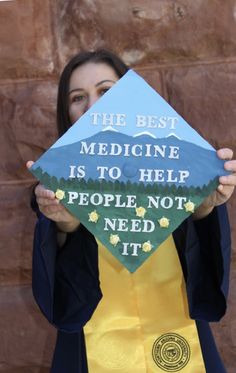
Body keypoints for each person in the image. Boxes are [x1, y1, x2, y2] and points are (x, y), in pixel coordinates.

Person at [27, 49, 236, 373]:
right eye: (78, 97)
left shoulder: (174, 169)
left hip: (184, 341)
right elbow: (64, 303)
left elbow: (207, 279)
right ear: (66, 112)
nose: (93, 106)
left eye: (106, 91)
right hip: (89, 351)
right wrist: (66, 225)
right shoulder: (55, 190)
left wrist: (203, 209)